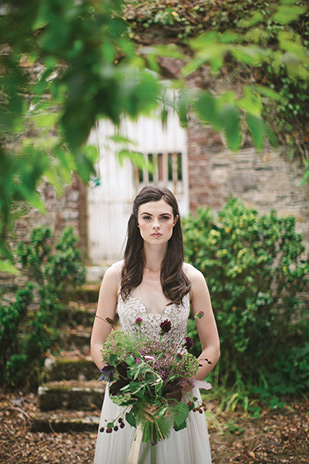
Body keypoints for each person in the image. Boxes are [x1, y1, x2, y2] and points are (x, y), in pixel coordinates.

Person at [91, 185, 220, 464]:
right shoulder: (116, 276)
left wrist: (178, 390)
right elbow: (97, 343)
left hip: (177, 398)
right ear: (136, 222)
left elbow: (212, 347)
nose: (156, 225)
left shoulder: (192, 279)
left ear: (175, 220)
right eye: (147, 217)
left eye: (164, 217)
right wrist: (126, 387)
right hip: (127, 396)